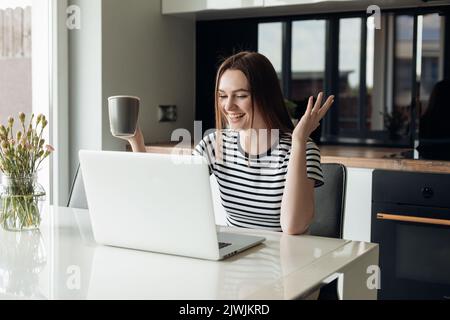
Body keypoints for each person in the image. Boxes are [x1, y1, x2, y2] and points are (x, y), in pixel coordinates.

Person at [119, 51, 334, 235]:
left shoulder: (303, 150)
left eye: (240, 96)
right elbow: (167, 196)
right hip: (236, 261)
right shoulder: (214, 145)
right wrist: (137, 142)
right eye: (222, 96)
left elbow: (293, 226)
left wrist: (298, 141)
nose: (228, 106)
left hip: (288, 267)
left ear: (265, 97)